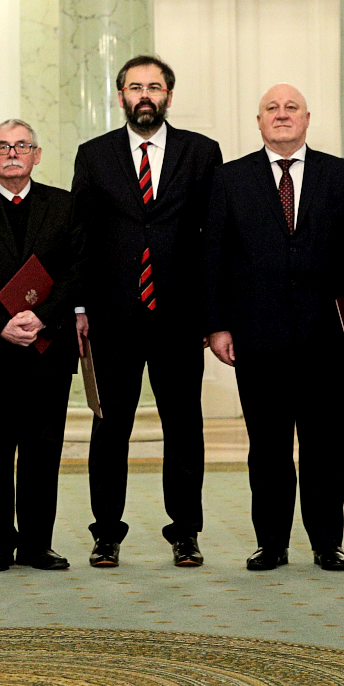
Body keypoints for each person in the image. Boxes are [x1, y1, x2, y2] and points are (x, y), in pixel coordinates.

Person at [204, 84, 344, 572]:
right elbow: (213, 258)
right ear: (259, 121)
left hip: (326, 336)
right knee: (268, 446)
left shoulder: (341, 175)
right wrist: (216, 326)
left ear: (307, 118)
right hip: (256, 336)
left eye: (291, 108)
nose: (282, 115)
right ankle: (272, 543)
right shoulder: (229, 178)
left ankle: (327, 543)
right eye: (272, 109)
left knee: (325, 445)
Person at [71, 55, 222, 568]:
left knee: (184, 428)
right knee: (110, 429)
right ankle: (106, 533)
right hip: (112, 317)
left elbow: (214, 238)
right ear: (121, 96)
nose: (144, 95)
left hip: (179, 317)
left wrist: (213, 315)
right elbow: (79, 236)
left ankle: (185, 532)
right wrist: (79, 306)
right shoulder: (94, 155)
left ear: (168, 97)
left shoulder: (202, 152)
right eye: (135, 87)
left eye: (154, 87)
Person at [0, 120, 83, 572]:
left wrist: (42, 318)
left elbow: (77, 271)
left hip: (49, 346)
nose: (12, 153)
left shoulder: (64, 206)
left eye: (21, 146)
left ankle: (38, 544)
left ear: (36, 155)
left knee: (43, 450)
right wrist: (1, 324)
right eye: (2, 146)